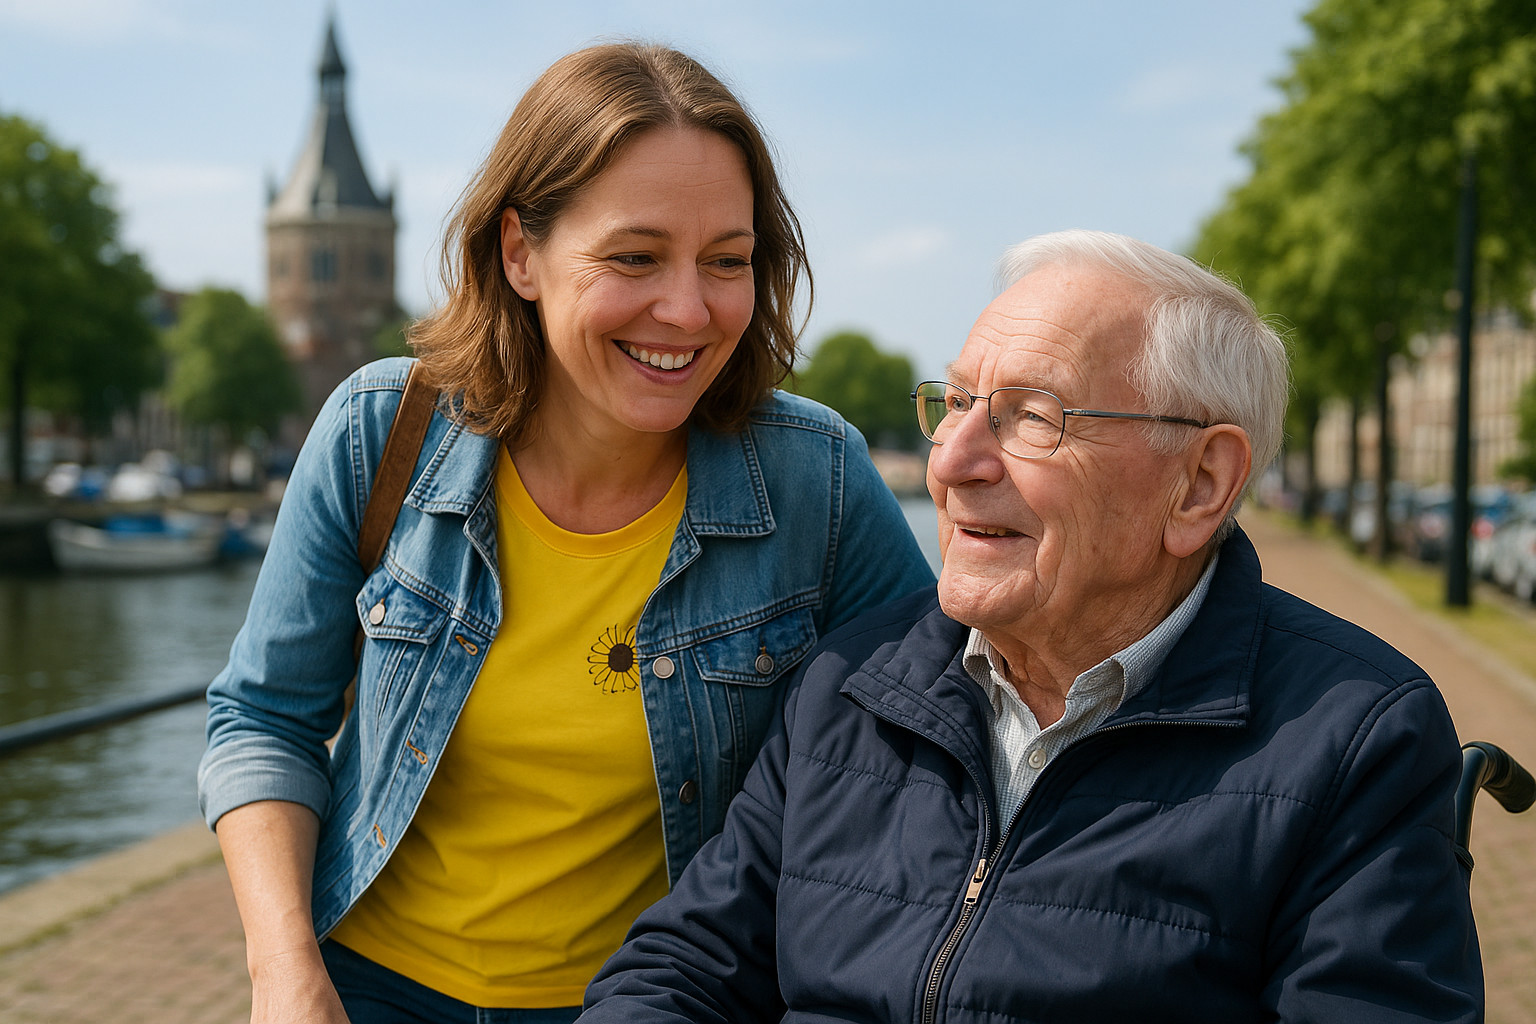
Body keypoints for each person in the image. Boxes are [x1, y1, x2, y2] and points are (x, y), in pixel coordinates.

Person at [198, 42, 934, 1024]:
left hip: (647, 1003)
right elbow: (263, 719)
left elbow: (937, 749)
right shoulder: (379, 432)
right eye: (635, 257)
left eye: (727, 260)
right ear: (520, 254)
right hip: (364, 987)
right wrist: (285, 973)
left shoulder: (821, 481)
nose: (688, 309)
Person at [579, 230, 1483, 1022]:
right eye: (956, 404)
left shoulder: (1357, 740)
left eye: (1034, 417)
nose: (953, 461)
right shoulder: (849, 680)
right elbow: (686, 966)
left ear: (1201, 484)